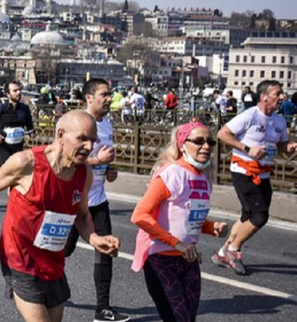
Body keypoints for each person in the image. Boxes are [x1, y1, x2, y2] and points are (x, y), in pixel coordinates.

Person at [0, 110, 120, 322]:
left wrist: (94, 238)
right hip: (20, 259)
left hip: (53, 263)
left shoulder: (84, 173)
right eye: (82, 138)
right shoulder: (27, 162)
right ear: (60, 135)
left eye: (93, 140)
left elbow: (82, 216)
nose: (89, 147)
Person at [131, 122, 228, 322]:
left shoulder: (204, 177)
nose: (206, 146)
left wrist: (211, 227)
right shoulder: (170, 173)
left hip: (188, 258)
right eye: (199, 141)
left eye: (210, 141)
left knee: (188, 319)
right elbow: (139, 215)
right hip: (161, 259)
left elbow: (186, 217)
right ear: (182, 144)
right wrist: (177, 243)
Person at [214, 80, 297, 274]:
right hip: (244, 171)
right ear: (264, 96)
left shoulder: (279, 120)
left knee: (248, 215)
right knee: (259, 216)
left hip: (264, 173)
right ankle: (233, 250)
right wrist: (247, 148)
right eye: (278, 94)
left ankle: (222, 252)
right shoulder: (250, 115)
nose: (282, 97)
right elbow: (222, 134)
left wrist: (290, 147)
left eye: (282, 93)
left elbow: (280, 146)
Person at [62, 79, 128, 322]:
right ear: (89, 97)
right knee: (62, 249)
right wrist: (96, 161)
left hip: (98, 200)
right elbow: (65, 161)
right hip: (72, 200)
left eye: (110, 94)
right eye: (104, 94)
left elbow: (102, 161)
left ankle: (103, 309)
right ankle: (34, 282)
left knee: (106, 250)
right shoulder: (75, 123)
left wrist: (109, 171)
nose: (110, 98)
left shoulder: (108, 125)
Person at [0, 81, 34, 170]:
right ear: (8, 94)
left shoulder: (24, 108)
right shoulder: (1, 108)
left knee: (18, 172)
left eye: (19, 90)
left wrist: (31, 133)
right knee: (7, 172)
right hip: (4, 146)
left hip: (18, 146)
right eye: (15, 91)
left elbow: (30, 126)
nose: (18, 93)